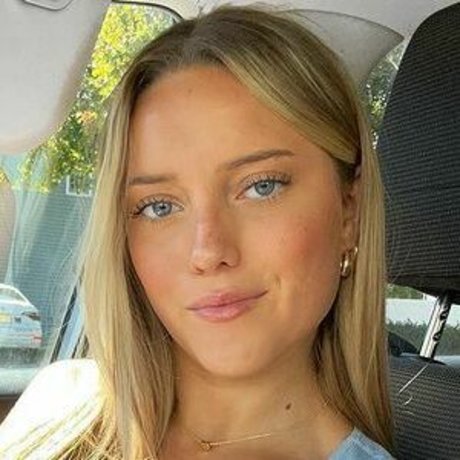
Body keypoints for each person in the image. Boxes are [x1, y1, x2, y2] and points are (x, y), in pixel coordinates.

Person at [0, 4, 394, 459]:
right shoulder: (58, 399)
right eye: (159, 207)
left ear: (349, 212)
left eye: (261, 186)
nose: (207, 251)